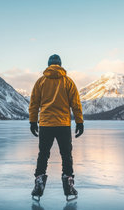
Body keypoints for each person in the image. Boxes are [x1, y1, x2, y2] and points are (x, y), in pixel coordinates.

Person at [29, 54, 84, 201]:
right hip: (63, 124)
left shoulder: (40, 82)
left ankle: (39, 182)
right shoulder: (68, 82)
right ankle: (69, 185)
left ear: (48, 65)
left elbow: (34, 103)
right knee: (66, 155)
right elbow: (76, 104)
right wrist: (79, 122)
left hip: (46, 125)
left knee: (43, 154)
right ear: (60, 65)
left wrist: (33, 122)